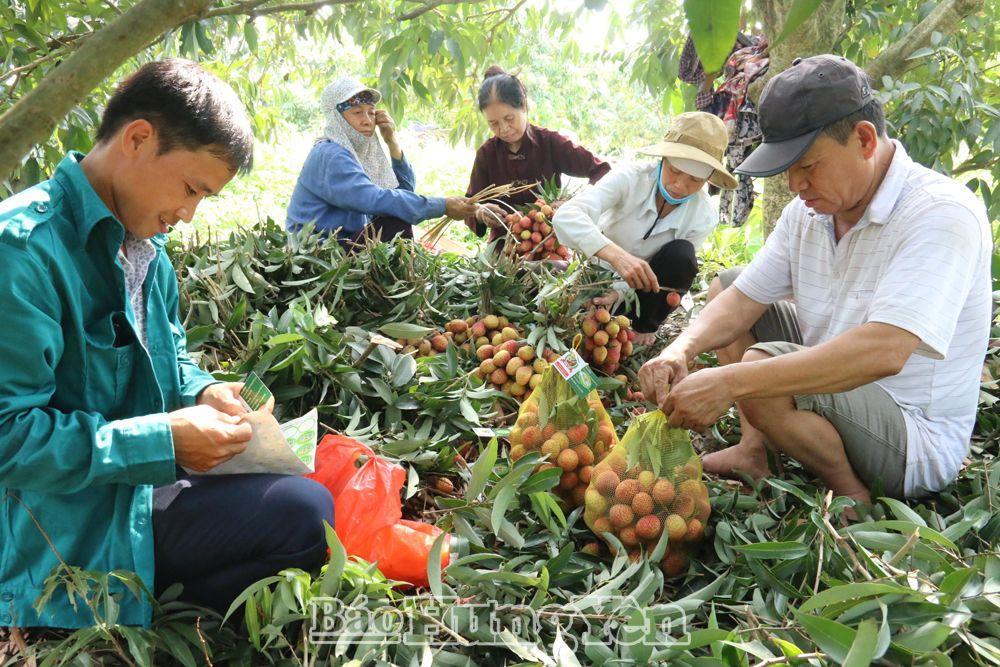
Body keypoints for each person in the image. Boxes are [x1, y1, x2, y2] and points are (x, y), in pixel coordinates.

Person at [0, 59, 334, 629]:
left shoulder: (146, 251)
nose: (186, 214)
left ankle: (152, 600)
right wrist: (162, 440)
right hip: (59, 522)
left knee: (310, 497)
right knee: (302, 520)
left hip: (135, 482)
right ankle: (105, 611)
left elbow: (168, 358)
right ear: (137, 138)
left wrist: (206, 393)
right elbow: (9, 437)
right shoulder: (22, 252)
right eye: (189, 189)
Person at [639, 55, 991, 505]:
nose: (795, 184)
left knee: (755, 369)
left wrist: (730, 382)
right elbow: (744, 299)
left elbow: (884, 351)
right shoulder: (809, 213)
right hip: (835, 388)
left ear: (864, 140)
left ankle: (853, 496)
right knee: (726, 284)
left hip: (910, 434)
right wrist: (679, 350)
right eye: (788, 170)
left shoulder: (940, 213)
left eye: (807, 165)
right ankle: (753, 452)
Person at [552, 112, 738, 343]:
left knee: (682, 256)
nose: (680, 186)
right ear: (663, 160)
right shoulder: (630, 178)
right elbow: (566, 216)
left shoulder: (703, 215)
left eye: (694, 180)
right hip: (591, 279)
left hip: (639, 298)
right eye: (675, 171)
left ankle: (642, 329)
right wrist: (617, 256)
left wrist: (619, 291)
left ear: (708, 180)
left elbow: (673, 270)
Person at [286, 77, 477, 246]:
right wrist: (442, 206)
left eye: (371, 112)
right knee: (395, 224)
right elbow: (375, 199)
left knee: (396, 216)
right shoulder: (331, 154)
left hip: (342, 244)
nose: (368, 120)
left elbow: (402, 191)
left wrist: (392, 141)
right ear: (338, 119)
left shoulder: (359, 153)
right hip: (318, 251)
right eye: (357, 112)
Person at [466, 66, 611, 239]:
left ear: (523, 106)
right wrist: (479, 212)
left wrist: (578, 204)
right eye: (493, 123)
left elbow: (603, 170)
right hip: (502, 249)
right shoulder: (486, 154)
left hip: (548, 245)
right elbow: (469, 205)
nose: (504, 129)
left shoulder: (551, 143)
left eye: (509, 118)